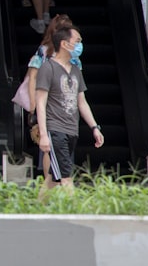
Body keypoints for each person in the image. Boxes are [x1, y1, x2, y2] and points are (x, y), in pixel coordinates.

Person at [35, 26, 104, 191]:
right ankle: (76, 214)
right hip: (55, 129)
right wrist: (44, 135)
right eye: (77, 41)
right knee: (66, 177)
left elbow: (82, 102)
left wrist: (94, 127)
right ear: (65, 44)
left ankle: (37, 211)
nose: (80, 45)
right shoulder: (48, 68)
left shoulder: (75, 70)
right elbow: (40, 103)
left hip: (71, 130)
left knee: (52, 178)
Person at [24, 14, 78, 178]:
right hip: (50, 106)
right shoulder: (44, 51)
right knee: (49, 146)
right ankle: (53, 180)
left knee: (65, 145)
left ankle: (57, 181)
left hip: (67, 107)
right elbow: (32, 76)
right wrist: (33, 103)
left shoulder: (73, 56)